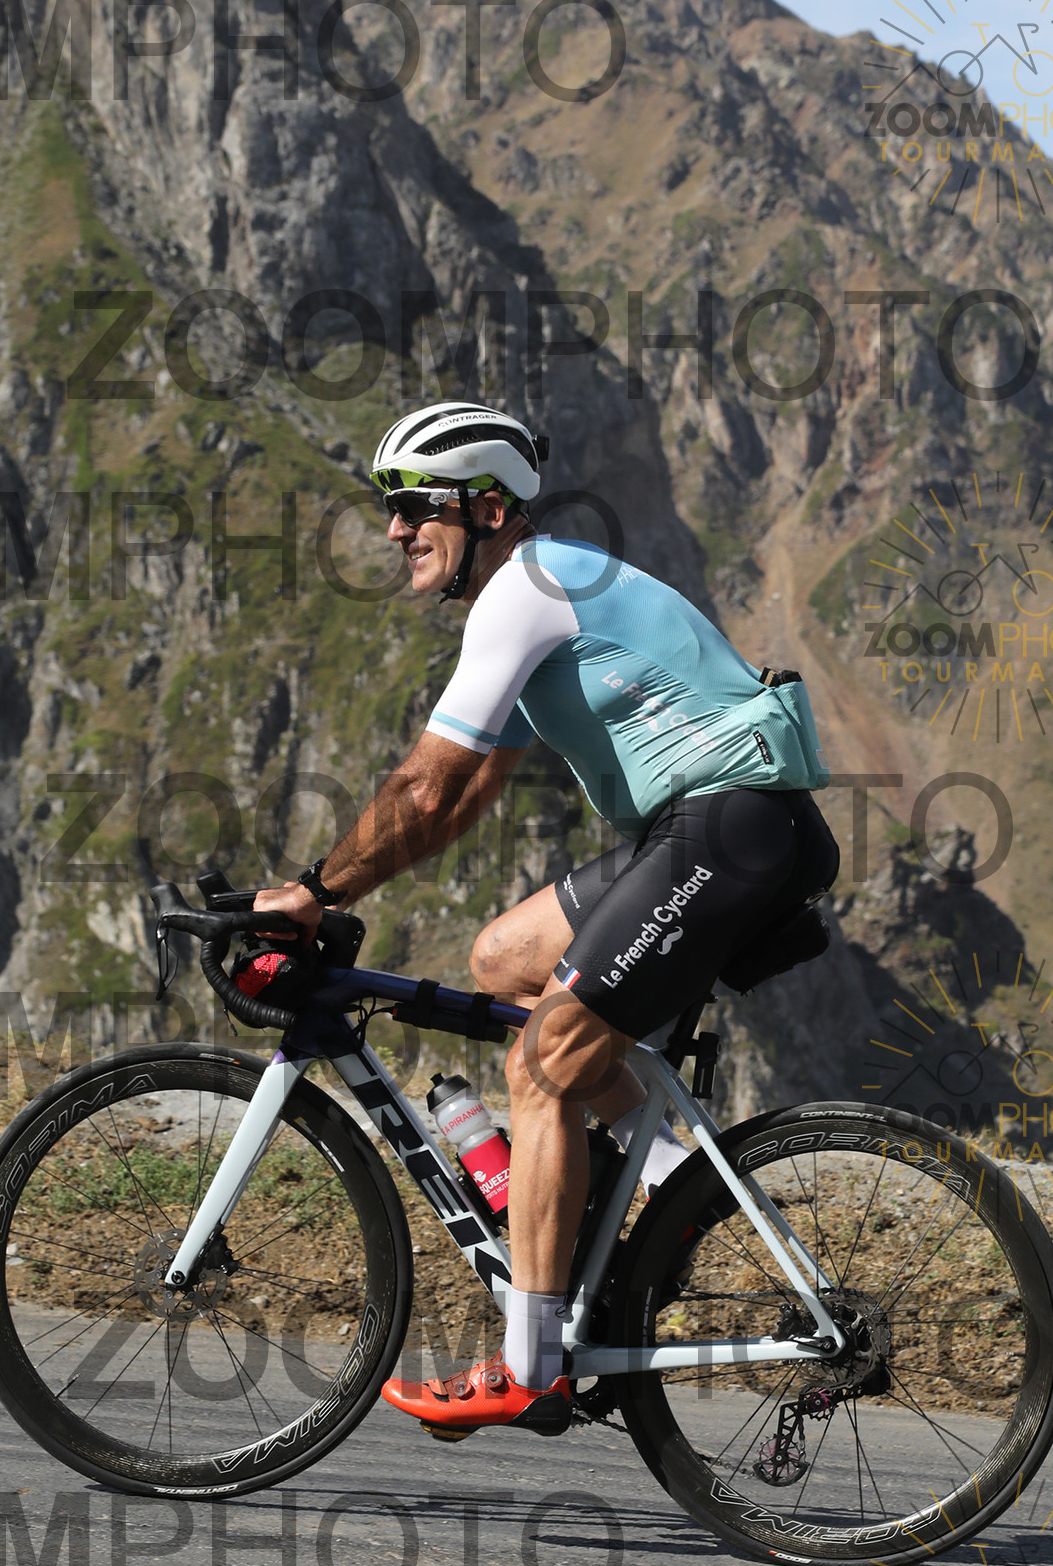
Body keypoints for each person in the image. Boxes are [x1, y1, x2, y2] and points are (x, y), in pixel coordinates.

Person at [253, 400, 838, 1435]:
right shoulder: (538, 590)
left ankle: (531, 1367)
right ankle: (671, 1183)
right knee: (502, 957)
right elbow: (465, 796)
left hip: (726, 828)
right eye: (391, 509)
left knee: (542, 1066)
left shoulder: (523, 594)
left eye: (414, 507)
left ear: (486, 509)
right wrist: (342, 888)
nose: (394, 529)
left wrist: (314, 893)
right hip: (714, 828)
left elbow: (424, 788)